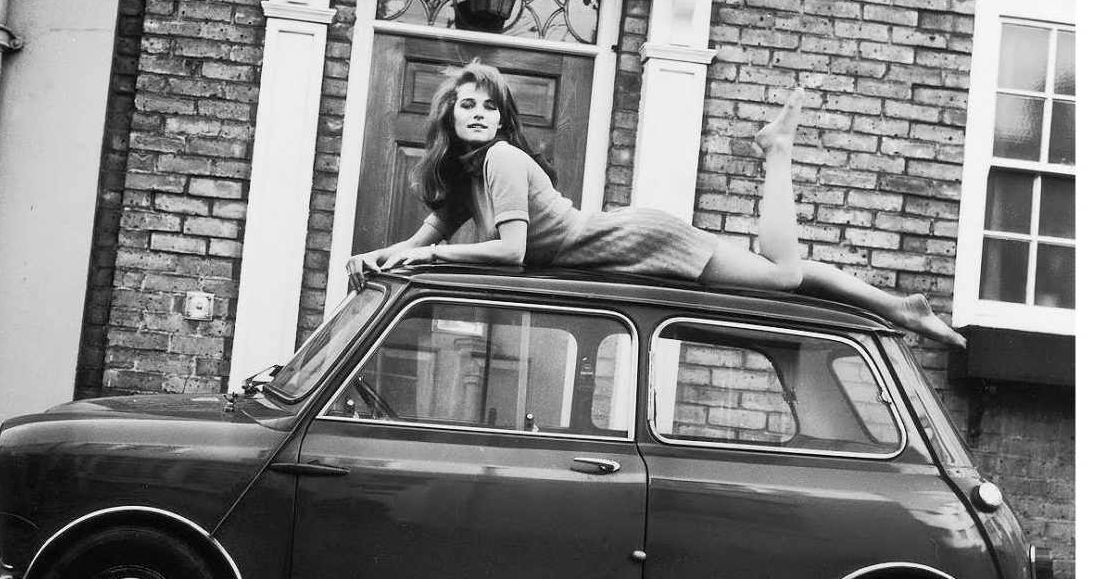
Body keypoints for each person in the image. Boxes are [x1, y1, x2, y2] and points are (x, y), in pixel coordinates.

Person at [345, 60, 965, 348]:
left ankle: (777, 151)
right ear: (450, 116)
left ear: (503, 121)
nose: (478, 114)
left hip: (638, 239)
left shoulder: (502, 159)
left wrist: (428, 262)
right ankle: (899, 307)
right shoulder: (466, 175)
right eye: (467, 105)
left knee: (782, 277)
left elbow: (510, 253)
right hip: (619, 241)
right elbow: (417, 243)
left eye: (490, 107)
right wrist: (376, 258)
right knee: (786, 278)